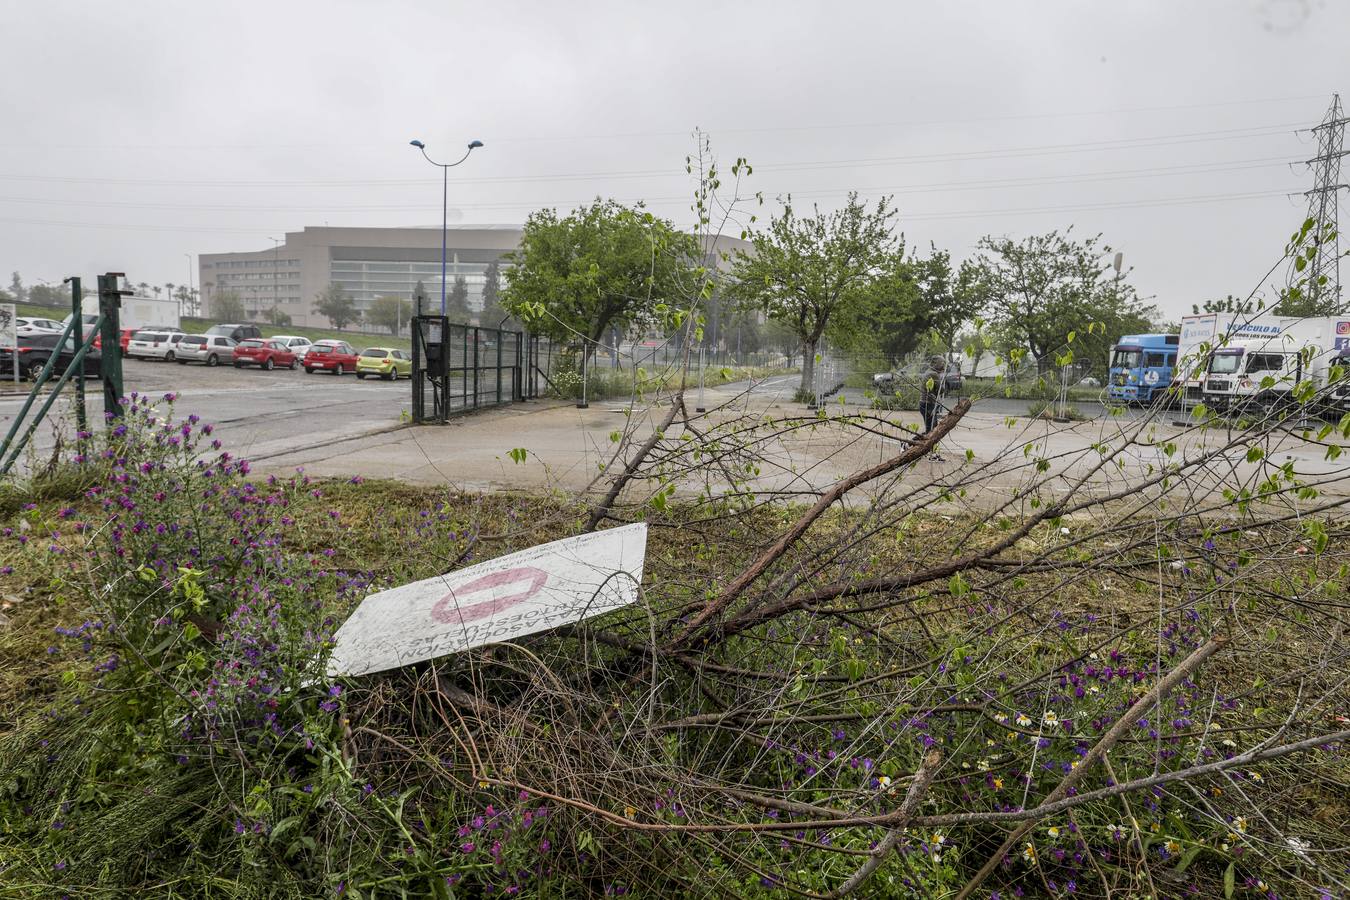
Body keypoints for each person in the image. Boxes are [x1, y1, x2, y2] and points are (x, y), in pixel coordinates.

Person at [918, 355, 946, 460]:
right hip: (928, 404)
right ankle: (933, 454)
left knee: (929, 431)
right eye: (941, 363)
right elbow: (941, 390)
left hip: (925, 403)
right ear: (936, 363)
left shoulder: (929, 372)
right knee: (933, 431)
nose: (943, 365)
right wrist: (942, 378)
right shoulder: (934, 374)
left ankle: (908, 445)